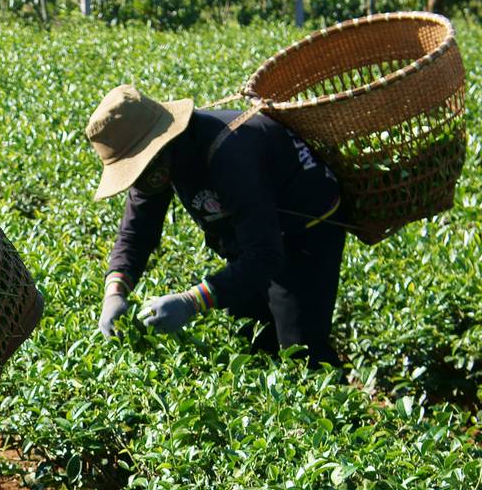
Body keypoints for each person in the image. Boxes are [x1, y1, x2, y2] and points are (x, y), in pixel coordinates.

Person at [85, 84, 347, 368]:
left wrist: (190, 301)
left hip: (304, 231)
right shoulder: (158, 165)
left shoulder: (229, 153)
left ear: (158, 146)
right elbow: (136, 232)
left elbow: (264, 255)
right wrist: (114, 291)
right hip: (248, 236)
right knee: (252, 338)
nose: (140, 180)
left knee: (300, 350)